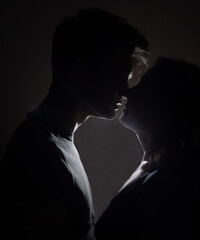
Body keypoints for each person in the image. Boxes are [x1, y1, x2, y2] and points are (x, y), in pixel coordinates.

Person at [0, 8, 148, 239]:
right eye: (117, 76)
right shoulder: (37, 154)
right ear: (80, 69)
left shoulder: (53, 144)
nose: (125, 90)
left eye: (125, 78)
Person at [95, 56, 200, 240]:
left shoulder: (170, 185)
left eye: (143, 87)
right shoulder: (156, 167)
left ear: (167, 107)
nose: (129, 93)